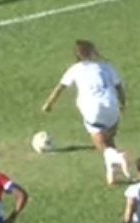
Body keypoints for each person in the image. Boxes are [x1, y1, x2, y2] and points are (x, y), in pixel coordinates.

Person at [42, 39, 130, 184]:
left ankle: (118, 157)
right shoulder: (106, 67)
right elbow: (119, 87)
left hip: (92, 109)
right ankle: (112, 174)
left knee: (101, 144)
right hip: (112, 106)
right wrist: (123, 104)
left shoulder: (75, 69)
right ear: (93, 52)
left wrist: (48, 104)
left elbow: (60, 87)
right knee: (109, 139)